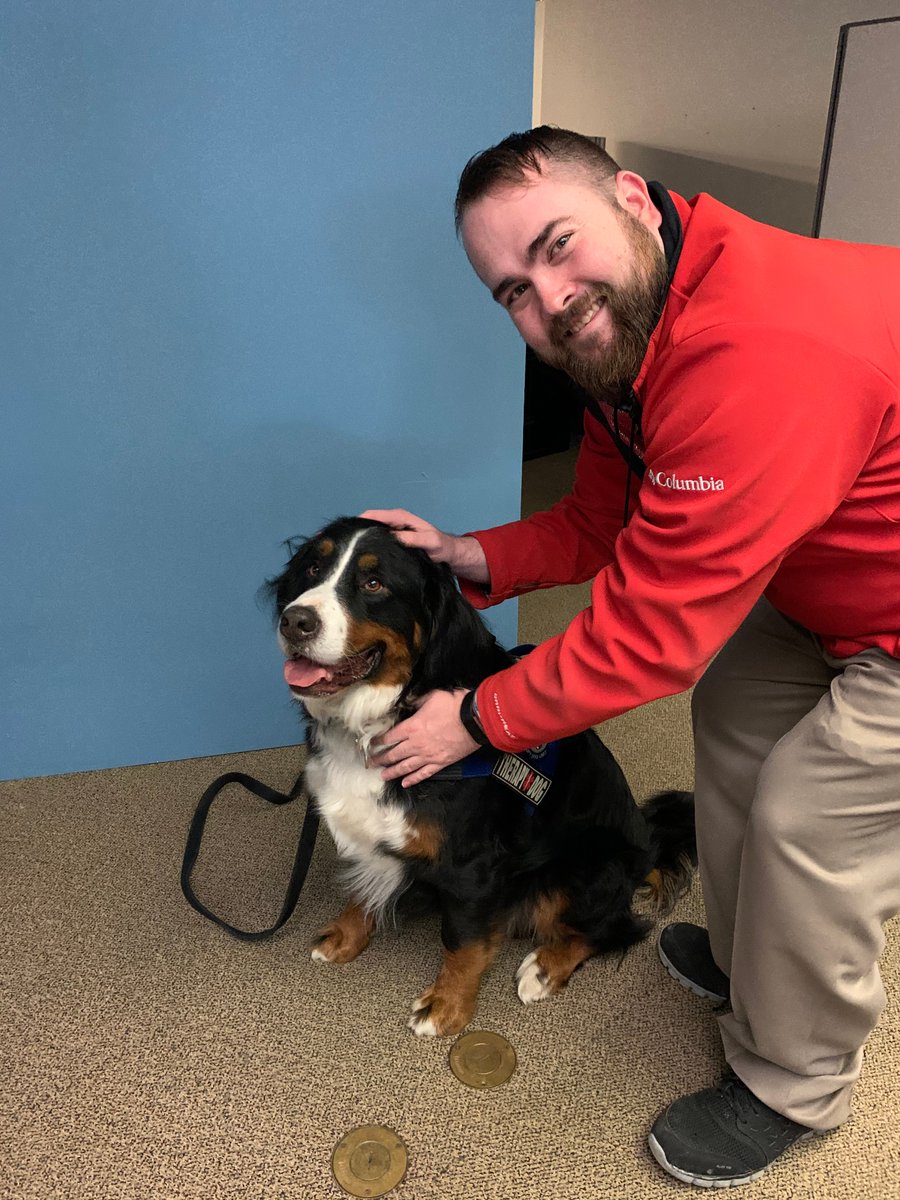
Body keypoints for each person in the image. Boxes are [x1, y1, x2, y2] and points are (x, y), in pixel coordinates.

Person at [364, 125, 900, 1188]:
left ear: (632, 200)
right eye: (513, 289)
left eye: (559, 247)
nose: (550, 299)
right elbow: (606, 524)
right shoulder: (635, 338)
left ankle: (793, 1083)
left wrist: (475, 718)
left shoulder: (756, 354)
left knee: (809, 814)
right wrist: (469, 555)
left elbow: (651, 637)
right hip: (823, 585)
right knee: (736, 728)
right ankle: (763, 969)